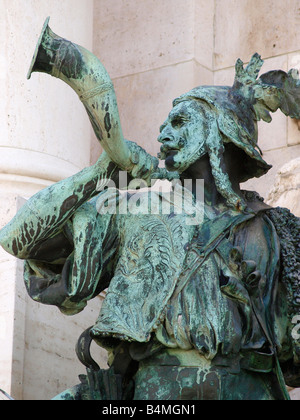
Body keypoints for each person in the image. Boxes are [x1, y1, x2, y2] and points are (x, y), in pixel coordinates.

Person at [0, 22, 299, 399]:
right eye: (164, 123)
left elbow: (293, 357)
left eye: (179, 121)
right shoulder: (136, 209)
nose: (162, 133)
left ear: (218, 133)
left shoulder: (277, 229)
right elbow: (16, 239)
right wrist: (98, 174)